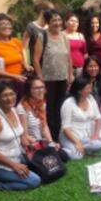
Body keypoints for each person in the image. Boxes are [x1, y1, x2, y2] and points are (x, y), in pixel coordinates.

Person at [0, 80, 41, 190]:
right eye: (5, 95)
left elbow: (20, 136)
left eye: (12, 94)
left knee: (42, 167)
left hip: (17, 157)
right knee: (34, 181)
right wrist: (14, 166)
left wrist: (33, 143)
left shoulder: (13, 110)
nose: (10, 98)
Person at [33, 9, 74, 141]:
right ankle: (50, 138)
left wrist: (70, 74)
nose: (57, 23)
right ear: (48, 22)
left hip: (62, 79)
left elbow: (69, 57)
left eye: (59, 20)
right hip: (47, 80)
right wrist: (40, 78)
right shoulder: (42, 36)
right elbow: (35, 59)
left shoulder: (64, 37)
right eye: (53, 20)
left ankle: (59, 136)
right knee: (49, 109)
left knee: (60, 108)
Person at [16, 77, 69, 162]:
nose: (41, 90)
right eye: (36, 88)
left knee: (64, 156)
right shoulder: (22, 108)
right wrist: (42, 144)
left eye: (42, 87)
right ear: (29, 90)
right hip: (30, 145)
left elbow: (44, 126)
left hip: (41, 142)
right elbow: (24, 136)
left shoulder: (42, 104)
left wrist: (51, 143)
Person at [0, 13, 32, 102]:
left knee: (19, 109)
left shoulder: (16, 42)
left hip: (19, 81)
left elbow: (20, 58)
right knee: (6, 110)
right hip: (3, 84)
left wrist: (26, 65)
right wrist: (14, 76)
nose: (6, 26)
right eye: (2, 24)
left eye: (8, 24)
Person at [59, 77, 101, 160]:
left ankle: (79, 148)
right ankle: (64, 150)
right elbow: (66, 128)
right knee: (77, 156)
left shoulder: (91, 99)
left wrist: (96, 135)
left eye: (90, 88)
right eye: (87, 89)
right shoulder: (68, 103)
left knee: (98, 144)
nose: (90, 91)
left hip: (85, 137)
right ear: (79, 91)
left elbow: (98, 118)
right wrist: (77, 142)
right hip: (70, 137)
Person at [22, 1, 54, 65]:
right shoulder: (31, 27)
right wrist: (25, 64)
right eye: (51, 12)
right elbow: (24, 48)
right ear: (42, 12)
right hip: (37, 64)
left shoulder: (51, 27)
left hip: (51, 65)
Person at [83, 13, 101, 78]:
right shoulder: (86, 36)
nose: (94, 25)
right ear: (89, 24)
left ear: (99, 24)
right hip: (91, 67)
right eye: (92, 23)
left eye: (96, 23)